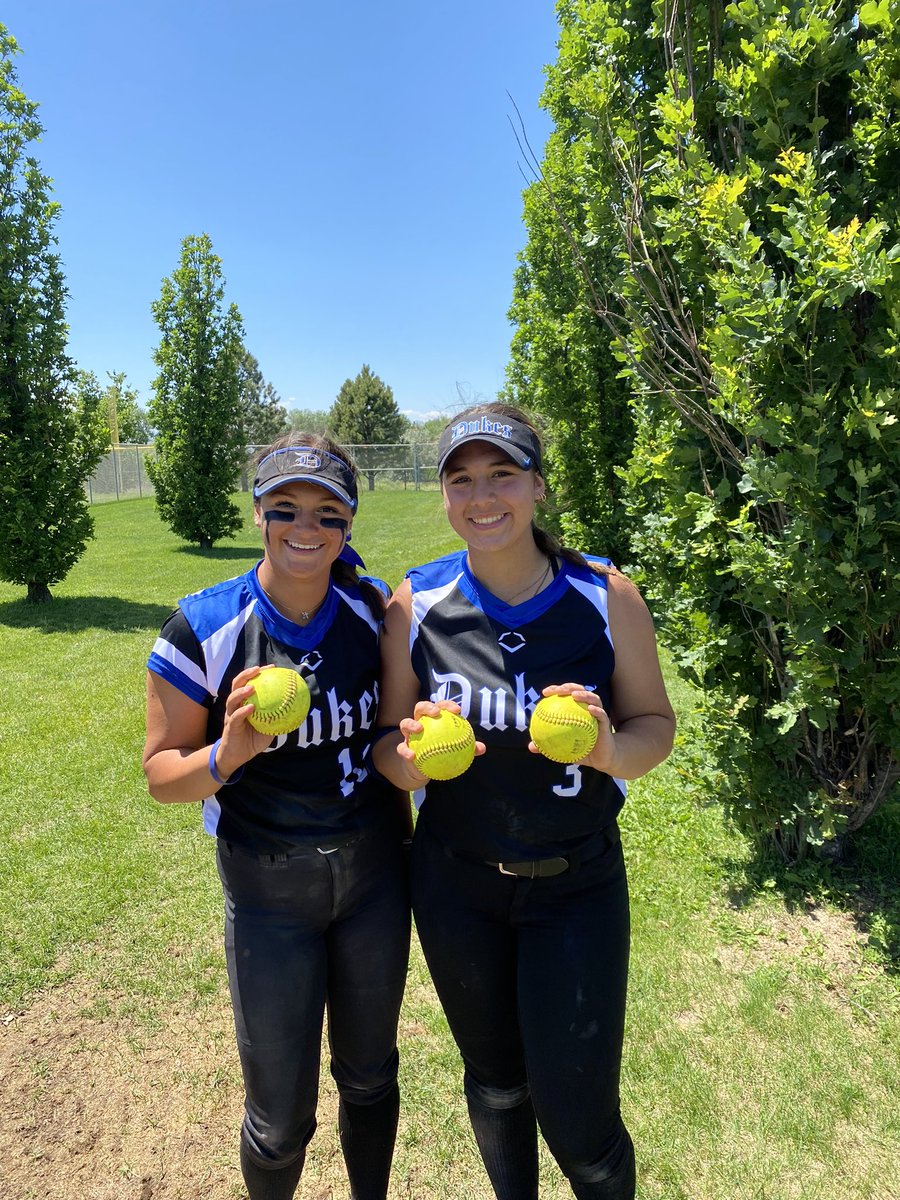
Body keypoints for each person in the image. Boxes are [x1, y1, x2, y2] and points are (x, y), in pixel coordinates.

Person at [374, 403, 676, 1200]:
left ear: (538, 486)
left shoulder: (606, 595)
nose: (483, 496)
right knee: (497, 1083)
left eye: (502, 474)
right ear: (443, 495)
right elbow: (382, 746)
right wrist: (410, 764)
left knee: (580, 1125)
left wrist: (612, 750)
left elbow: (656, 725)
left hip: (573, 887)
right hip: (455, 888)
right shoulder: (417, 602)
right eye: (461, 478)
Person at [143, 435, 411, 1200]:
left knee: (370, 1078)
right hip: (267, 896)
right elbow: (163, 776)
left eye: (327, 514)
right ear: (258, 512)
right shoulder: (204, 626)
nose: (305, 527)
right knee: (278, 1118)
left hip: (373, 881)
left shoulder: (370, 607)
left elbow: (398, 728)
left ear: (350, 525)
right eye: (285, 507)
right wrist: (228, 755)